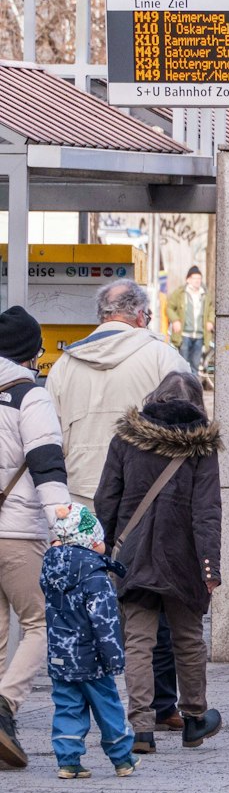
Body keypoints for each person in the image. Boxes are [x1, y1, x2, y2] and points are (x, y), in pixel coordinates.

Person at [46, 279, 189, 732]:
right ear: (141, 314)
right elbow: (189, 425)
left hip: (79, 499)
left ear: (101, 316)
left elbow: (51, 437)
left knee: (81, 602)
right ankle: (161, 704)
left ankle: (86, 702)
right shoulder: (163, 357)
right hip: (144, 500)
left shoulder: (65, 364)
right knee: (150, 593)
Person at [96, 371, 224, 753]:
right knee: (188, 639)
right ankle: (195, 719)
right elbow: (207, 512)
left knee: (138, 640)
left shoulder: (126, 438)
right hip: (182, 558)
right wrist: (210, 567)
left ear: (155, 397)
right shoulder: (201, 446)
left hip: (133, 555)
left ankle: (141, 729)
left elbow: (106, 498)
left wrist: (105, 548)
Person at [0, 306, 74, 768]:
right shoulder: (30, 395)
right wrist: (63, 526)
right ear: (30, 353)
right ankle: (4, 705)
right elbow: (47, 464)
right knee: (42, 622)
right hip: (18, 532)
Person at [41, 503, 136, 778]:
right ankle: (122, 759)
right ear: (92, 543)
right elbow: (105, 622)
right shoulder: (96, 577)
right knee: (107, 706)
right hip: (92, 658)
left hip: (60, 655)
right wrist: (114, 658)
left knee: (67, 706)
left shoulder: (49, 571)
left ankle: (68, 761)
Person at [165, 266, 213, 376]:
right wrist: (175, 320)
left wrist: (210, 321)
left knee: (195, 366)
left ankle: (193, 386)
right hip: (184, 335)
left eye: (199, 278)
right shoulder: (180, 293)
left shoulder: (205, 294)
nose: (197, 281)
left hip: (199, 335)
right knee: (183, 365)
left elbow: (211, 309)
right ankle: (183, 386)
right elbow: (169, 307)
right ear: (188, 279)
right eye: (194, 278)